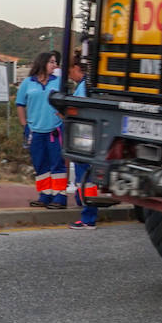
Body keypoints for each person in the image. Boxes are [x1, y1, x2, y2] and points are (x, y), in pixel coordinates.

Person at [16, 51, 65, 208]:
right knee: (40, 164)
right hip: (35, 131)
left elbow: (65, 103)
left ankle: (59, 197)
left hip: (54, 130)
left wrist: (62, 117)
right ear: (42, 63)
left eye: (55, 62)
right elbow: (20, 104)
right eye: (52, 62)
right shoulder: (27, 83)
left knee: (57, 163)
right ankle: (45, 195)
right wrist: (24, 125)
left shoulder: (59, 82)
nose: (55, 65)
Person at [67, 55, 98, 230]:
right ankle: (84, 207)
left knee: (85, 178)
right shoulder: (86, 85)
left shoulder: (85, 86)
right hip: (86, 138)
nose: (70, 76)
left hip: (84, 138)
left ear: (77, 68)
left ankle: (88, 218)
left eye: (70, 71)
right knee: (84, 178)